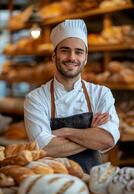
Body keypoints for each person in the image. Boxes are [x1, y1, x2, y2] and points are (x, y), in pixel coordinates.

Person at [24, 19, 120, 173]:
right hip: (52, 184)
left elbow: (108, 139)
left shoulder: (101, 93)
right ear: (54, 56)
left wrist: (65, 132)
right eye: (65, 50)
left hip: (92, 182)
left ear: (86, 58)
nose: (72, 57)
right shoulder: (36, 98)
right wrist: (91, 135)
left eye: (78, 51)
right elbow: (44, 148)